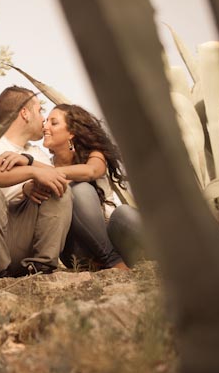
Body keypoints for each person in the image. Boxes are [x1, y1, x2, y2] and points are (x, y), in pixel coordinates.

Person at [0, 86, 73, 279]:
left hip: (18, 245)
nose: (43, 119)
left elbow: (58, 178)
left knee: (58, 188)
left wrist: (30, 177)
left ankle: (41, 269)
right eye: (40, 110)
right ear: (25, 113)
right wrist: (32, 172)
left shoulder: (36, 153)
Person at [10, 103, 144, 270]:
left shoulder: (94, 155)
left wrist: (32, 164)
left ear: (71, 133)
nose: (46, 127)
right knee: (78, 191)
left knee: (123, 213)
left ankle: (164, 255)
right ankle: (114, 262)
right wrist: (30, 181)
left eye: (54, 122)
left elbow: (91, 171)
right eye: (47, 122)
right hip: (77, 249)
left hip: (113, 237)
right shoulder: (45, 164)